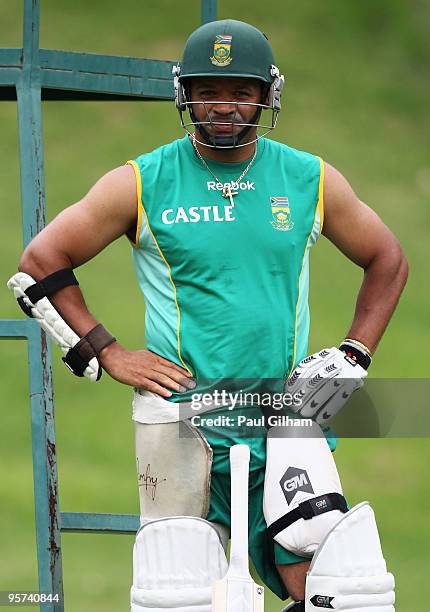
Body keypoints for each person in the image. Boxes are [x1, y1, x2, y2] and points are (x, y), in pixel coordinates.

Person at [16, 18, 407, 610]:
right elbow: (41, 260)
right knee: (185, 599)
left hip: (288, 420)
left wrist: (353, 355)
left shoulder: (308, 178)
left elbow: (387, 259)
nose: (223, 106)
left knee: (345, 594)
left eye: (241, 92)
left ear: (267, 95)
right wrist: (108, 351)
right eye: (207, 91)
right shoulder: (143, 182)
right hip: (184, 426)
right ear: (184, 94)